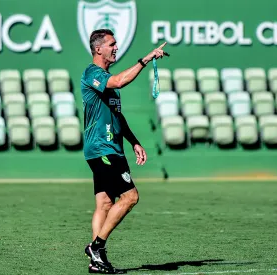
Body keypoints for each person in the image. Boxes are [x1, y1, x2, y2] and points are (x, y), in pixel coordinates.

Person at [80, 28, 167, 274]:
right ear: (98, 49)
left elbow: (117, 117)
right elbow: (119, 80)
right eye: (112, 44)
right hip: (101, 148)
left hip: (111, 148)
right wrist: (146, 59)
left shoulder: (109, 83)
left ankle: (97, 262)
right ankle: (97, 247)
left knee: (105, 203)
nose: (116, 47)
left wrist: (134, 141)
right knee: (130, 197)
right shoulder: (93, 73)